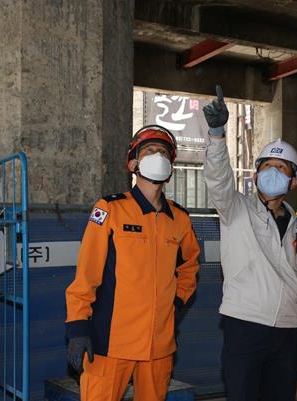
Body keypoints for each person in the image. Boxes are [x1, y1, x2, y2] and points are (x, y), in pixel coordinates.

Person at [64, 125, 200, 401]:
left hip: (159, 347)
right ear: (132, 164)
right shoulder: (109, 209)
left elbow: (190, 268)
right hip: (110, 343)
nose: (157, 155)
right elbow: (87, 273)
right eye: (149, 151)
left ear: (171, 167)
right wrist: (78, 327)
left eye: (163, 152)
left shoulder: (180, 220)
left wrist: (174, 303)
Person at [202, 85, 297, 401]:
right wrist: (216, 136)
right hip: (245, 327)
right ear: (254, 177)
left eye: (281, 169)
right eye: (266, 166)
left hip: (286, 333)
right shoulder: (235, 209)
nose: (272, 173)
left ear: (293, 181)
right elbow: (218, 179)